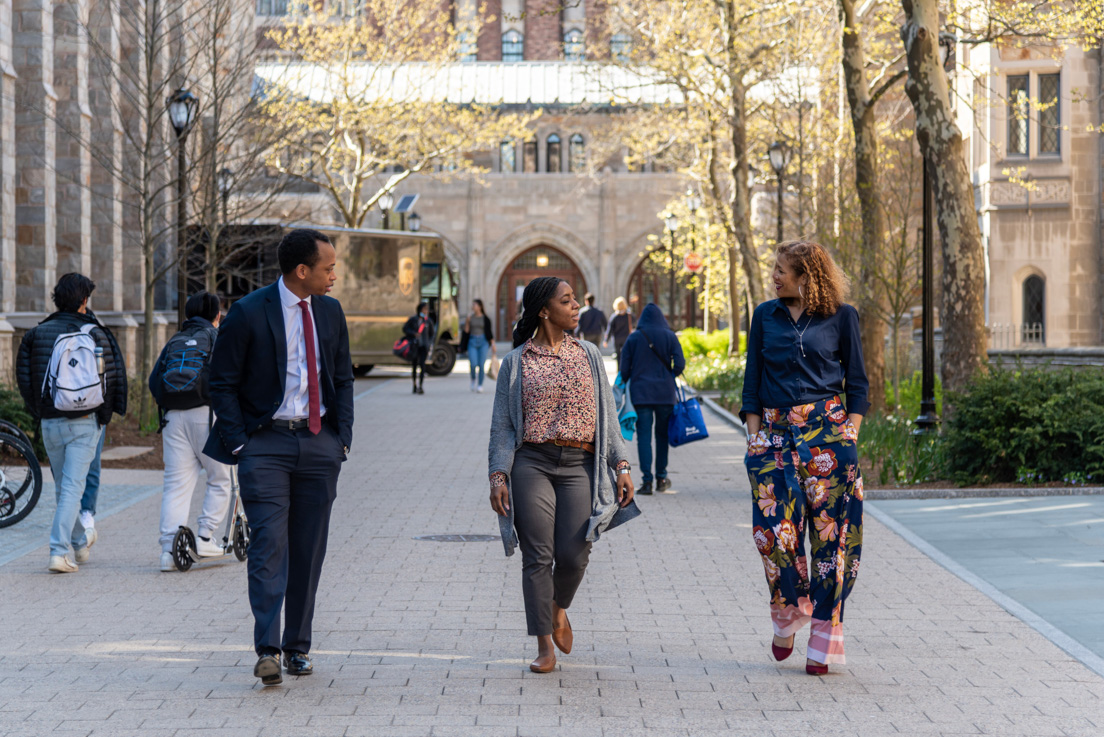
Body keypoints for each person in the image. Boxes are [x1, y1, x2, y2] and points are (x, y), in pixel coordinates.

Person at [203, 228, 354, 686]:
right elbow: (221, 383)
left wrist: (341, 439)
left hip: (318, 444)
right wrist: (241, 443)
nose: (335, 275)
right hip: (264, 445)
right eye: (328, 268)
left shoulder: (330, 312)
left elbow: (343, 377)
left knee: (308, 550)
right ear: (302, 271)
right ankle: (267, 648)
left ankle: (297, 647)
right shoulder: (249, 312)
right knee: (269, 545)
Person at [489, 276, 637, 674]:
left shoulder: (588, 354)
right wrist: (498, 475)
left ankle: (558, 610)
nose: (576, 307)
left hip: (578, 465)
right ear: (543, 310)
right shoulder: (516, 362)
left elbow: (606, 416)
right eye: (567, 301)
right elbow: (503, 425)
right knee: (538, 555)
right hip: (532, 463)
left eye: (575, 300)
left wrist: (621, 465)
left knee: (574, 553)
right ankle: (543, 645)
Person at [740, 240, 869, 676]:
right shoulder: (764, 315)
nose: (774, 276)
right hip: (773, 436)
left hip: (829, 435)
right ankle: (787, 612)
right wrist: (754, 439)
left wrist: (849, 431)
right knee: (773, 532)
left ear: (806, 276)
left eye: (782, 270)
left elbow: (858, 383)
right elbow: (751, 381)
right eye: (774, 268)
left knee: (833, 540)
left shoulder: (842, 316)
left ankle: (824, 634)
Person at [16, 273, 127, 573]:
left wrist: (38, 410)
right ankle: (58, 551)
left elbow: (24, 378)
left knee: (65, 487)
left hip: (51, 422)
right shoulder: (96, 333)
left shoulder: (36, 334)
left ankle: (78, 543)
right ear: (83, 301)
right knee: (71, 488)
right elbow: (112, 378)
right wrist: (103, 418)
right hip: (84, 420)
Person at [149, 291, 233, 572]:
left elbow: (154, 381)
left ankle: (168, 550)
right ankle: (206, 537)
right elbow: (228, 379)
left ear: (187, 315)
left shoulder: (175, 340)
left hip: (172, 419)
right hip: (207, 416)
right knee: (221, 478)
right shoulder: (217, 338)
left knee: (175, 484)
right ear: (217, 316)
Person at [618, 303, 686, 496]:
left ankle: (646, 482)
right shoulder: (670, 336)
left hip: (641, 394)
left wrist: (633, 376)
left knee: (644, 437)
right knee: (662, 436)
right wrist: (669, 375)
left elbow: (624, 371)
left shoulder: (634, 338)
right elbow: (680, 363)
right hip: (665, 394)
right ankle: (661, 478)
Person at [460, 298, 495, 393]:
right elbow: (466, 332)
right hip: (472, 341)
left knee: (481, 364)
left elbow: (489, 332)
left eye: (474, 305)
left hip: (483, 342)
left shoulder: (485, 318)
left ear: (480, 307)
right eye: (472, 305)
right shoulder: (470, 317)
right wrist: (467, 322)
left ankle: (480, 385)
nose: (473, 306)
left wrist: (493, 344)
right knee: (473, 363)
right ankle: (473, 379)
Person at [403, 302, 435, 395]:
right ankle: (414, 385)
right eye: (424, 309)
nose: (425, 311)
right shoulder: (413, 319)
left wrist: (428, 343)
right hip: (414, 346)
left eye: (426, 310)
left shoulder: (428, 321)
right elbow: (405, 329)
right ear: (419, 310)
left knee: (422, 365)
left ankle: (421, 386)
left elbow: (432, 334)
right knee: (414, 366)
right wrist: (413, 333)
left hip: (423, 346)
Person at [604, 297, 633, 366]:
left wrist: (606, 340)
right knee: (626, 355)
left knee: (618, 356)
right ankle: (625, 368)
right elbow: (634, 324)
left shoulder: (614, 316)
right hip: (626, 338)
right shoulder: (629, 315)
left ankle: (619, 370)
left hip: (617, 339)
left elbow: (609, 329)